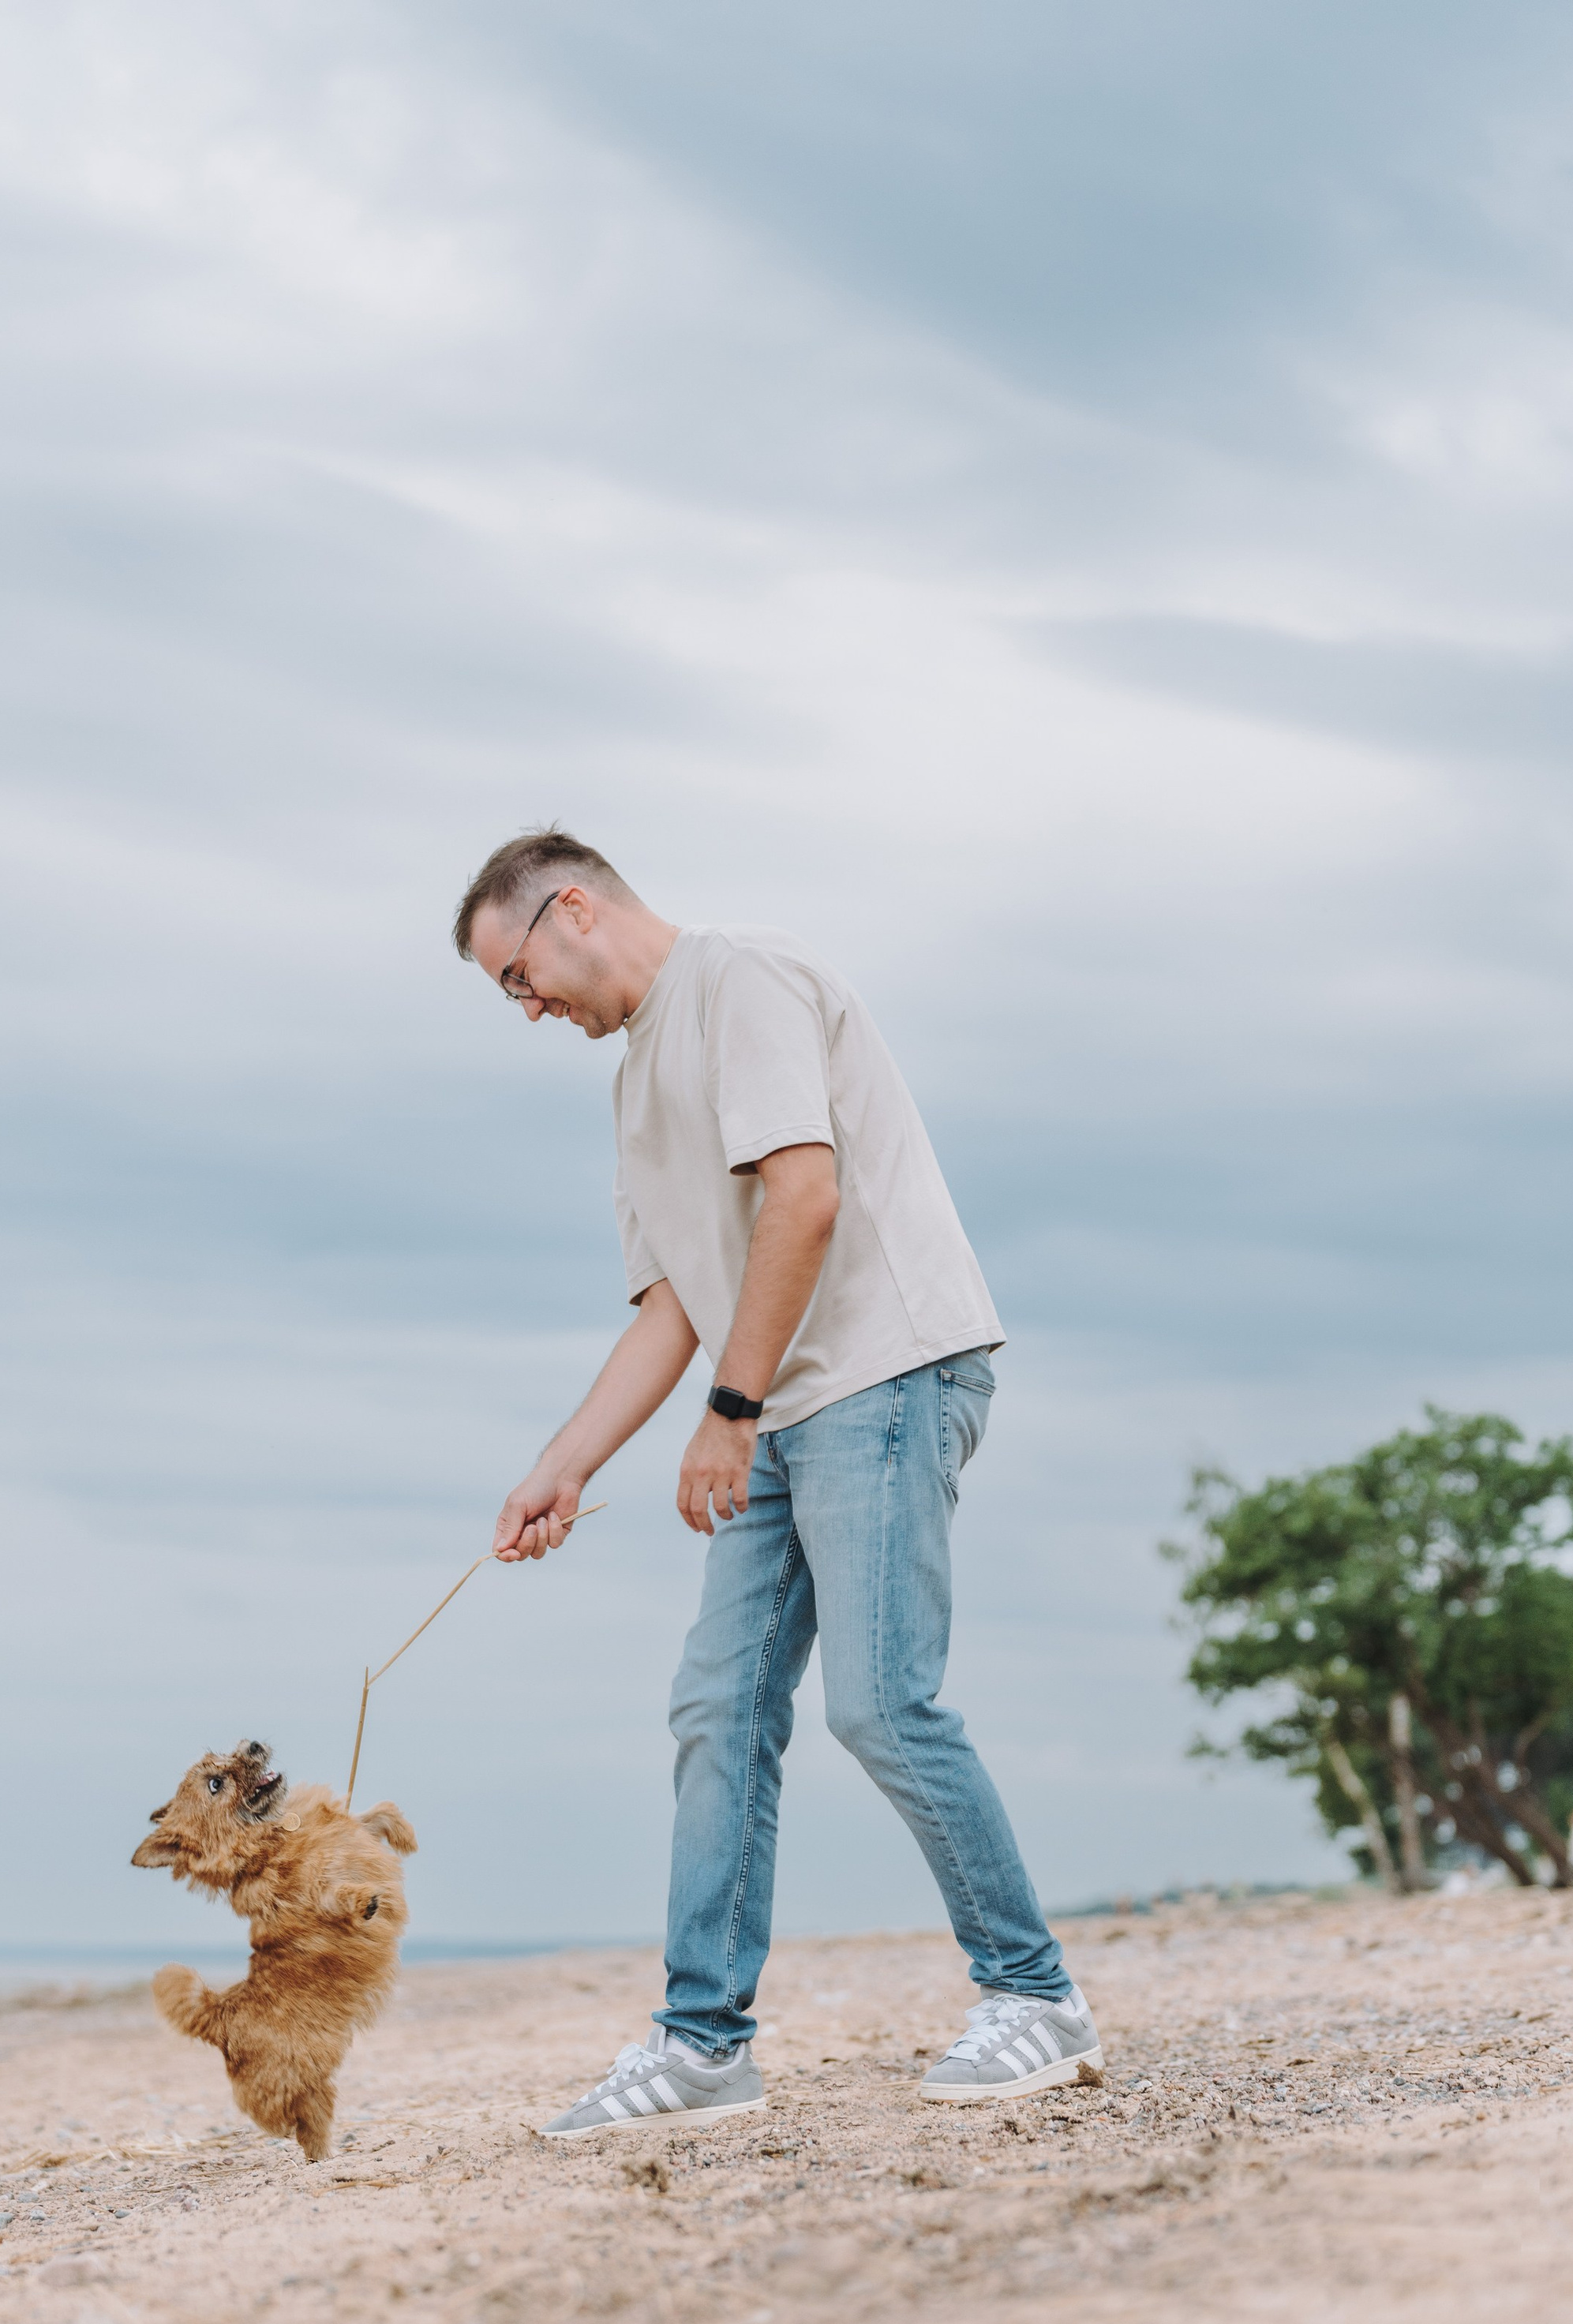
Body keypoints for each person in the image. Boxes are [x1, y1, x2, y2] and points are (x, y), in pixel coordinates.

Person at [454, 827, 1100, 2132]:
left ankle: (1037, 1999)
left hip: (890, 1372)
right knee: (718, 1707)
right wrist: (559, 1468)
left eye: (517, 976)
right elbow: (669, 1312)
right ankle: (702, 2046)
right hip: (782, 1409)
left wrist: (730, 1416)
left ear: (572, 910)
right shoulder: (633, 1089)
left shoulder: (741, 980)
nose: (526, 1009)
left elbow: (804, 1197)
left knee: (882, 1703)